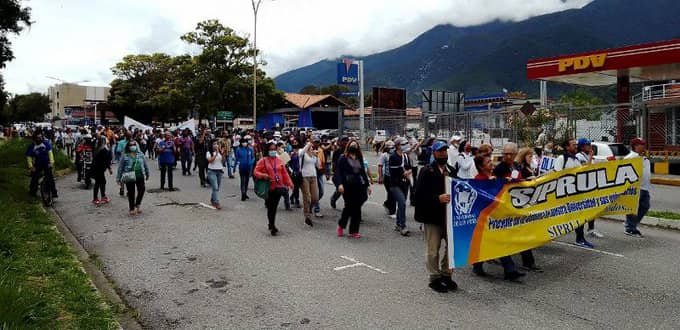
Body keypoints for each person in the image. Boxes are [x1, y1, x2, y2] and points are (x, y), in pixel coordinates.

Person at [472, 154, 526, 281]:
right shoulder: (478, 180)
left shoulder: (494, 178)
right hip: (484, 219)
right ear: (481, 166)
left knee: (495, 243)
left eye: (491, 161)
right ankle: (509, 270)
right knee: (496, 243)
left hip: (494, 218)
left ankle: (481, 266)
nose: (491, 163)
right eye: (488, 162)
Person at [414, 140, 458, 292]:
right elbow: (417, 196)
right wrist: (437, 199)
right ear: (434, 153)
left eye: (445, 151)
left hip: (449, 217)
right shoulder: (427, 171)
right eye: (440, 151)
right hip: (432, 217)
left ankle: (446, 274)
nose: (443, 154)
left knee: (451, 248)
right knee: (433, 250)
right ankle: (434, 278)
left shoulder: (452, 171)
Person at [554, 138, 594, 248]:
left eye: (576, 144)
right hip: (564, 194)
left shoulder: (575, 159)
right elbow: (555, 175)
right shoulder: (562, 159)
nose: (576, 146)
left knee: (580, 216)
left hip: (575, 193)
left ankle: (580, 239)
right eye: (573, 145)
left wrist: (590, 157)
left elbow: (584, 170)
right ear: (567, 147)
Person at [254, 142, 294, 236]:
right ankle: (271, 224)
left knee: (273, 208)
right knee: (270, 208)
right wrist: (263, 175)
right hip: (269, 187)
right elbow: (256, 172)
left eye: (274, 149)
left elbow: (284, 173)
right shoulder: (263, 160)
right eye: (270, 149)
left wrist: (290, 183)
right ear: (267, 150)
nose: (272, 151)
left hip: (278, 187)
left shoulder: (279, 161)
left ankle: (272, 224)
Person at [336, 140, 372, 238]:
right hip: (347, 186)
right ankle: (341, 225)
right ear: (348, 146)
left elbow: (363, 173)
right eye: (352, 145)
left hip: (358, 185)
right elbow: (338, 172)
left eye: (355, 145)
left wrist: (368, 185)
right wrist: (339, 184)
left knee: (356, 208)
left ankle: (354, 231)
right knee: (348, 207)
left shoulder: (359, 158)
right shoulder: (343, 158)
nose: (353, 146)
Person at [575, 138, 603, 238]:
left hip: (591, 185)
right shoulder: (579, 156)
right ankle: (579, 232)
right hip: (583, 186)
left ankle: (591, 229)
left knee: (592, 208)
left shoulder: (589, 156)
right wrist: (591, 157)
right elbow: (585, 168)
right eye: (587, 145)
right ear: (582, 147)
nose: (589, 146)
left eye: (589, 144)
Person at [624, 138, 651, 238]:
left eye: (644, 144)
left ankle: (631, 223)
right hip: (635, 188)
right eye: (641, 144)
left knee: (645, 206)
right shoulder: (630, 158)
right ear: (635, 146)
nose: (644, 146)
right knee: (633, 208)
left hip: (645, 187)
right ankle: (630, 228)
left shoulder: (643, 157)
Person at [116, 140, 150, 216]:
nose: (133, 146)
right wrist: (118, 178)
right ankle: (131, 208)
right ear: (128, 147)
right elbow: (120, 168)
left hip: (140, 175)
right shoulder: (125, 156)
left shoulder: (140, 154)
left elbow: (145, 165)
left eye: (134, 144)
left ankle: (137, 204)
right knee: (131, 193)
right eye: (131, 145)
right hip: (129, 175)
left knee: (142, 190)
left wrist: (147, 174)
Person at [389, 137, 413, 236]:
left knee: (401, 204)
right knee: (402, 203)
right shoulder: (393, 156)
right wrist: (404, 172)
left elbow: (409, 168)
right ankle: (403, 226)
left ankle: (398, 224)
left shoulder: (406, 156)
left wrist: (409, 172)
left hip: (404, 183)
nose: (405, 146)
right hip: (395, 184)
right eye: (403, 144)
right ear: (397, 145)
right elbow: (393, 171)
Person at [26, 132, 58, 198]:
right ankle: (32, 192)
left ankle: (54, 192)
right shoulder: (32, 146)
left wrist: (51, 162)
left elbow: (50, 153)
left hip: (47, 163)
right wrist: (31, 166)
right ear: (34, 138)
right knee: (34, 178)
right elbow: (29, 157)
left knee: (50, 178)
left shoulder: (45, 143)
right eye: (38, 137)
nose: (40, 139)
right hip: (37, 164)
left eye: (41, 137)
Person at [299, 141, 320, 226]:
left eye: (312, 148)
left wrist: (316, 156)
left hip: (313, 177)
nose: (312, 149)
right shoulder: (302, 153)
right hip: (305, 177)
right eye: (310, 147)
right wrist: (308, 144)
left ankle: (307, 208)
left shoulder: (313, 156)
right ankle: (307, 216)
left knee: (315, 198)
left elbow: (318, 165)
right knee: (307, 197)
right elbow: (301, 153)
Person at [330, 136, 350, 209]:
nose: (345, 142)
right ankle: (333, 199)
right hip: (338, 175)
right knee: (340, 190)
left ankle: (348, 207)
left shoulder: (350, 151)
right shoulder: (337, 152)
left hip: (347, 175)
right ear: (340, 142)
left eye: (347, 141)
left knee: (347, 192)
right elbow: (334, 164)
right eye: (343, 141)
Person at [378, 140, 396, 218]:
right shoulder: (384, 155)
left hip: (395, 177)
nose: (391, 149)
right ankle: (392, 211)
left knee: (392, 194)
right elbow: (380, 166)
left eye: (393, 147)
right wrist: (380, 176)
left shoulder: (396, 155)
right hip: (387, 177)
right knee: (391, 193)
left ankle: (387, 204)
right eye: (390, 147)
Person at [92, 136, 113, 205]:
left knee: (101, 182)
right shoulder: (103, 150)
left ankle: (102, 196)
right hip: (99, 169)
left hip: (96, 168)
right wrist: (109, 169)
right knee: (99, 183)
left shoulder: (97, 149)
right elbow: (106, 160)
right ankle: (97, 198)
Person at [235, 135, 255, 201]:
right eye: (243, 142)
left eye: (245, 142)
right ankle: (243, 193)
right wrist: (235, 167)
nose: (244, 143)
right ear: (241, 143)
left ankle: (245, 193)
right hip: (242, 167)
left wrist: (251, 163)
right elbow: (236, 158)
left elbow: (253, 158)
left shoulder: (250, 149)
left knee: (247, 181)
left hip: (248, 167)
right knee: (242, 181)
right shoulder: (238, 149)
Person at [206, 141, 226, 210]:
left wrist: (223, 154)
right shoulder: (209, 152)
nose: (216, 145)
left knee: (217, 188)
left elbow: (223, 162)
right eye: (214, 144)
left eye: (217, 144)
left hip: (219, 171)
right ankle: (217, 202)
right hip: (211, 171)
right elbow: (210, 161)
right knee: (215, 187)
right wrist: (216, 153)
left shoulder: (220, 152)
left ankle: (212, 199)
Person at [288, 143, 302, 208]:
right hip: (294, 173)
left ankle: (292, 197)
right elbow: (288, 164)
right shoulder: (291, 155)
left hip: (300, 172)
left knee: (297, 187)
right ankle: (297, 200)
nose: (296, 150)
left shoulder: (300, 154)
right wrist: (291, 171)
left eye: (297, 148)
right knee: (296, 187)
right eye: (295, 148)